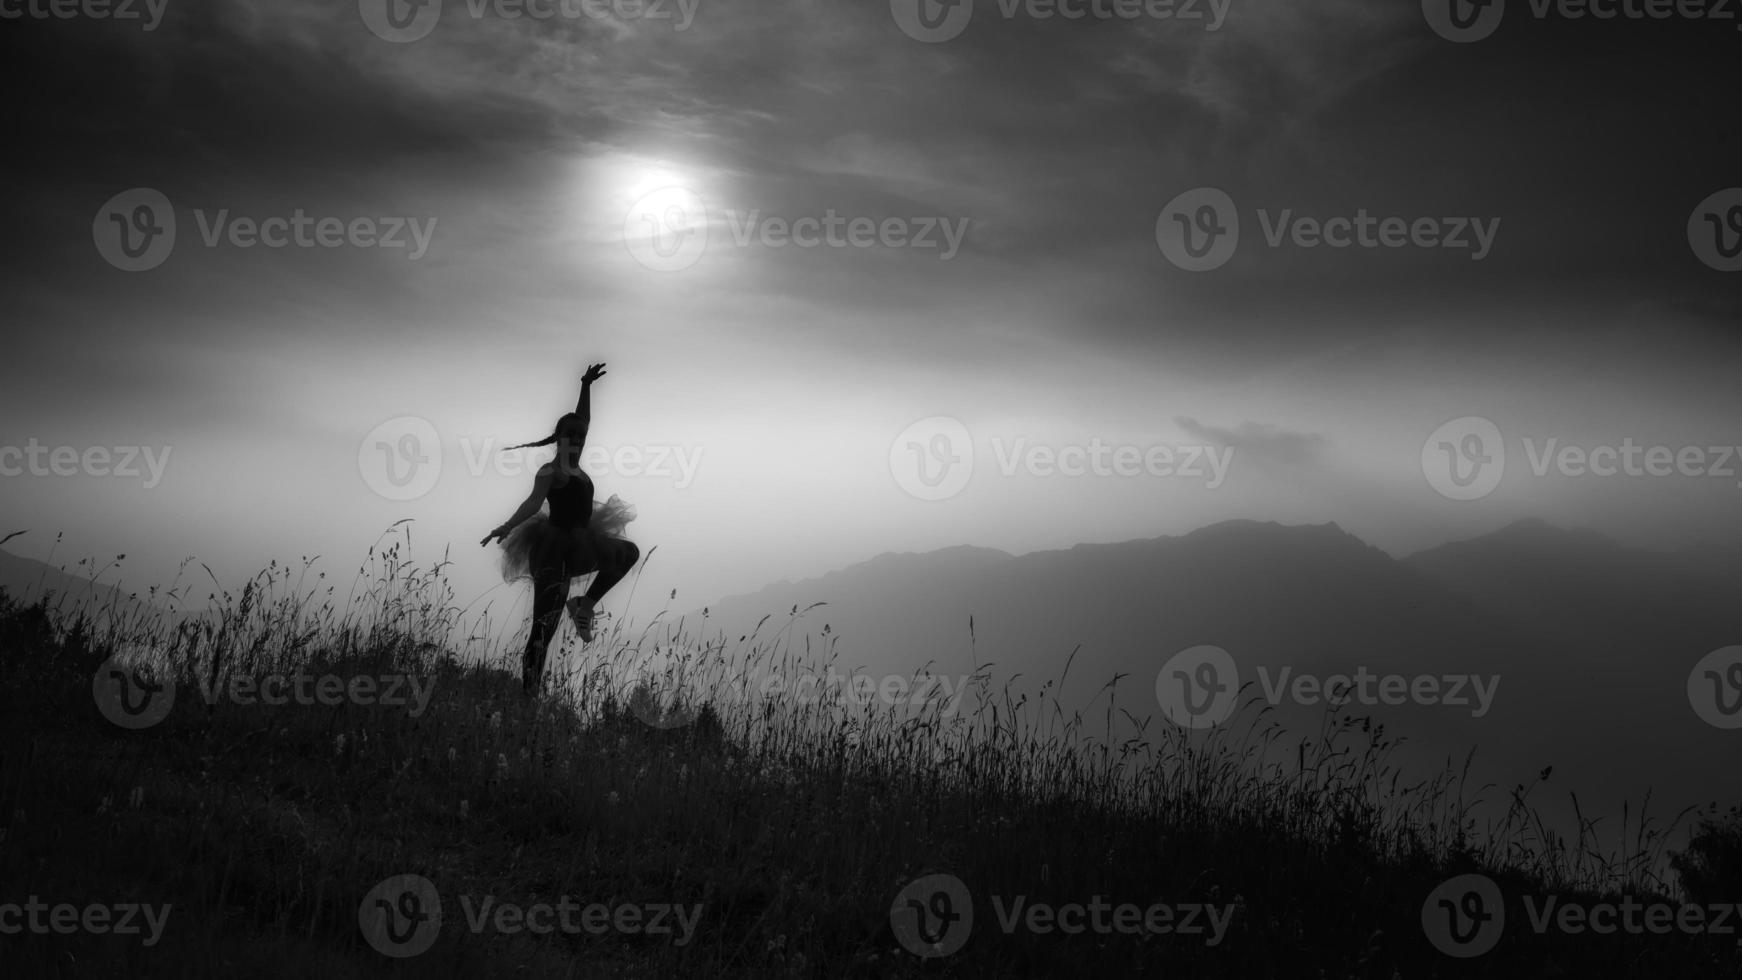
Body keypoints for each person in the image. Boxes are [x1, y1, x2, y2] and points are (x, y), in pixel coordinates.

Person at [481, 362, 640, 695]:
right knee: (543, 630)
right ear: (560, 439)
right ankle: (529, 697)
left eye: (582, 437)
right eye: (572, 436)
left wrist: (586, 385)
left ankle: (585, 605)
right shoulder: (551, 471)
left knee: (628, 552)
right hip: (553, 551)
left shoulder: (577, 466)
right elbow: (532, 503)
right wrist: (508, 526)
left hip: (582, 544)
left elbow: (584, 420)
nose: (579, 440)